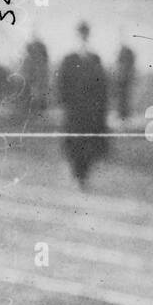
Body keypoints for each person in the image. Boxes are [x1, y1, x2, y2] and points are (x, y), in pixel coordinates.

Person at [55, 21, 109, 188]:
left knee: (89, 143)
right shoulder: (68, 60)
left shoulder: (95, 59)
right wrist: (63, 105)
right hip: (74, 110)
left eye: (85, 34)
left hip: (91, 111)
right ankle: (77, 174)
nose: (83, 38)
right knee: (74, 143)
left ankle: (84, 176)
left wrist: (101, 108)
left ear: (88, 36)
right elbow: (61, 84)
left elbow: (102, 86)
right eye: (80, 34)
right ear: (76, 36)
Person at [23, 31, 50, 117]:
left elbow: (44, 73)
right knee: (34, 94)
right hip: (33, 81)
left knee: (41, 94)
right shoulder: (29, 60)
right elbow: (27, 72)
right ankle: (34, 112)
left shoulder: (42, 61)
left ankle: (40, 112)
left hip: (40, 80)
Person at [113, 41, 136, 121]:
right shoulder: (122, 56)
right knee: (121, 96)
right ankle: (122, 113)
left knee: (125, 96)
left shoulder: (127, 55)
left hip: (125, 78)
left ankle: (124, 113)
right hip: (121, 78)